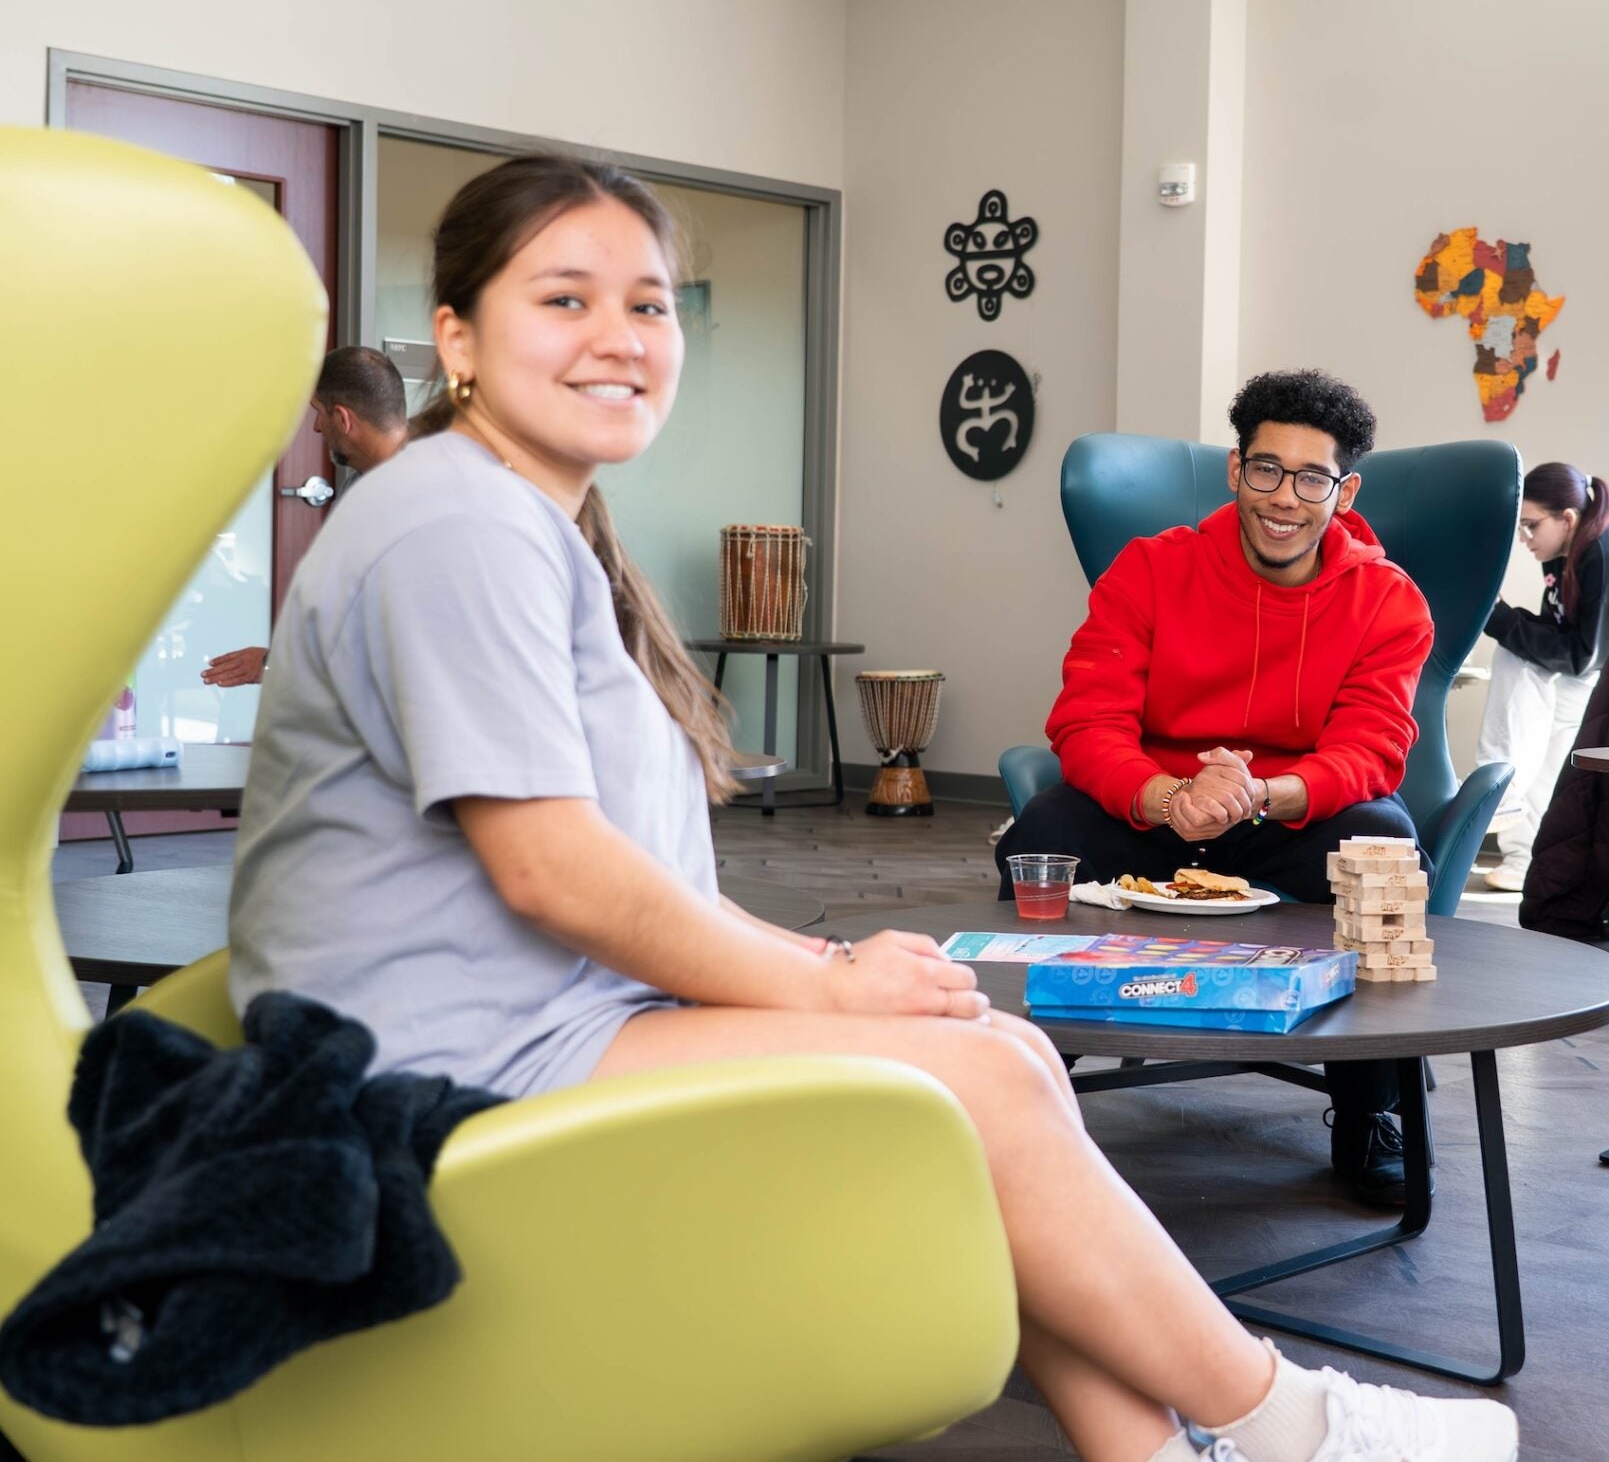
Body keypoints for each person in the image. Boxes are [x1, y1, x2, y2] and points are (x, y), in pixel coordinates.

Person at [226, 157, 1515, 1462]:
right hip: (441, 1063)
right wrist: (835, 982)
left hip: (552, 1014)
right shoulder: (458, 523)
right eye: (566, 298)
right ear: (456, 336)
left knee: (1007, 1053)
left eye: (649, 304)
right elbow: (555, 873)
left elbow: (626, 875)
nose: (618, 336)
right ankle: (1291, 1420)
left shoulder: (526, 527)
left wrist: (820, 961)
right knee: (985, 1077)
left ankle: (1173, 1450)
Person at [998, 369, 1433, 1210]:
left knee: (1382, 840)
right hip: (1157, 807)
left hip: (1287, 814)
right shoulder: (1150, 568)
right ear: (1236, 470)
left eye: (1313, 478)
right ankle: (1019, 1084)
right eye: (1267, 469)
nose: (1285, 497)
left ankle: (1370, 1108)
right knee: (1045, 827)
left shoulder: (1388, 600)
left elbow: (1371, 749)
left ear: (1345, 493)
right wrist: (1171, 796)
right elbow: (1087, 721)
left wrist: (1257, 792)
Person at [1474, 460, 1609, 892]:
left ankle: (1503, 799)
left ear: (1567, 519)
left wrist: (1500, 618)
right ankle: (1521, 842)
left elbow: (1581, 655)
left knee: (1525, 677)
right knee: (1525, 682)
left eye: (1531, 525)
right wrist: (1500, 616)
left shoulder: (1606, 554)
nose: (1524, 538)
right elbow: (1559, 637)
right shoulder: (1565, 553)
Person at [200, 344, 411, 688]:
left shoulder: (421, 501)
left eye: (318, 412)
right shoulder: (359, 485)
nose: (315, 427)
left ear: (342, 419)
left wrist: (273, 664)